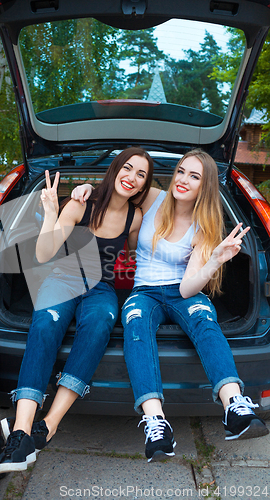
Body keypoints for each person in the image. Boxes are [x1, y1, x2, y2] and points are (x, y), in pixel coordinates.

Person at [71, 148, 269, 463]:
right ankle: (156, 424)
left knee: (205, 318)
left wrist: (215, 259)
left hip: (182, 291)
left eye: (194, 176)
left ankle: (235, 406)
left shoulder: (203, 226)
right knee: (135, 323)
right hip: (145, 291)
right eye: (181, 172)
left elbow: (188, 287)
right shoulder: (154, 198)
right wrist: (85, 190)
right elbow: (118, 187)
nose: (183, 180)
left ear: (205, 186)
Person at [0, 147, 154, 473]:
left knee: (99, 326)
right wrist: (53, 212)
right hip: (62, 280)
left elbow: (139, 253)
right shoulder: (80, 204)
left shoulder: (134, 218)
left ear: (143, 186)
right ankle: (21, 433)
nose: (132, 178)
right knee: (44, 325)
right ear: (115, 170)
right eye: (128, 168)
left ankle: (49, 424)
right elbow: (43, 253)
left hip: (101, 289)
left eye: (141, 175)